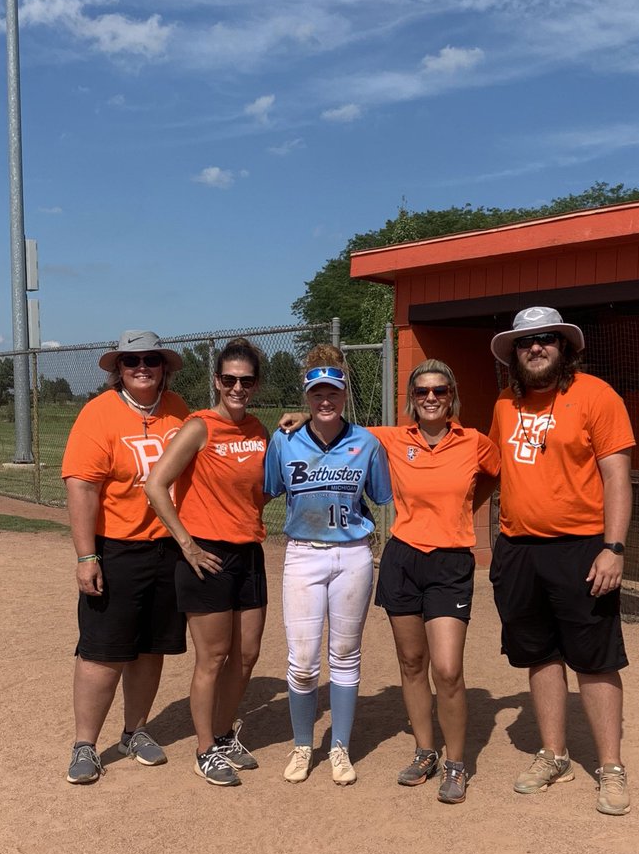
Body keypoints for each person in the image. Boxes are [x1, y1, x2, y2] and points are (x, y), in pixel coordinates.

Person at [281, 358, 499, 805]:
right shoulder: (393, 439)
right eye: (422, 392)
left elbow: (493, 478)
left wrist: (460, 510)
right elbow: (335, 421)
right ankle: (425, 751)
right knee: (412, 663)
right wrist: (307, 413)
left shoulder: (475, 442)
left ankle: (456, 763)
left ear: (452, 395)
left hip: (451, 562)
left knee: (448, 668)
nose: (432, 398)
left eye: (440, 390)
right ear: (411, 400)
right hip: (402, 557)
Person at [488, 306, 635, 816]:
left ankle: (611, 767)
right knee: (539, 654)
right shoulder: (505, 402)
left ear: (564, 346)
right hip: (519, 549)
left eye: (546, 339)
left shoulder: (596, 395)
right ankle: (554, 754)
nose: (536, 348)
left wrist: (613, 548)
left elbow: (617, 476)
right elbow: (490, 467)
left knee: (595, 658)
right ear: (514, 354)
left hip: (581, 548)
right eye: (526, 342)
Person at [61, 329, 189, 785]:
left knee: (150, 647)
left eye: (151, 360)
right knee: (102, 650)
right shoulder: (99, 414)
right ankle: (85, 744)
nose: (141, 367)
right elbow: (81, 485)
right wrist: (86, 556)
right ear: (118, 368)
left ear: (164, 368)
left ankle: (134, 731)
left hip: (168, 548)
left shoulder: (179, 412)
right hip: (115, 548)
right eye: (131, 360)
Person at [264, 345, 392, 786]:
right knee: (301, 661)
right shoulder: (284, 439)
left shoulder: (366, 442)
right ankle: (303, 744)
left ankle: (339, 747)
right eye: (317, 392)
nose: (325, 400)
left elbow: (382, 495)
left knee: (345, 655)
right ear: (306, 395)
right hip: (302, 553)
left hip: (353, 555)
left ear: (343, 393)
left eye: (332, 392)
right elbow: (266, 489)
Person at [145, 338, 268, 788]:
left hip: (248, 551)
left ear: (256, 384)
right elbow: (156, 485)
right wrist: (187, 544)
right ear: (217, 381)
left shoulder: (258, 429)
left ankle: (222, 733)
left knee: (247, 654)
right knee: (213, 657)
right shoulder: (200, 426)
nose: (238, 387)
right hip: (207, 554)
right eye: (230, 379)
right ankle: (204, 750)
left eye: (247, 380)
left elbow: (261, 488)